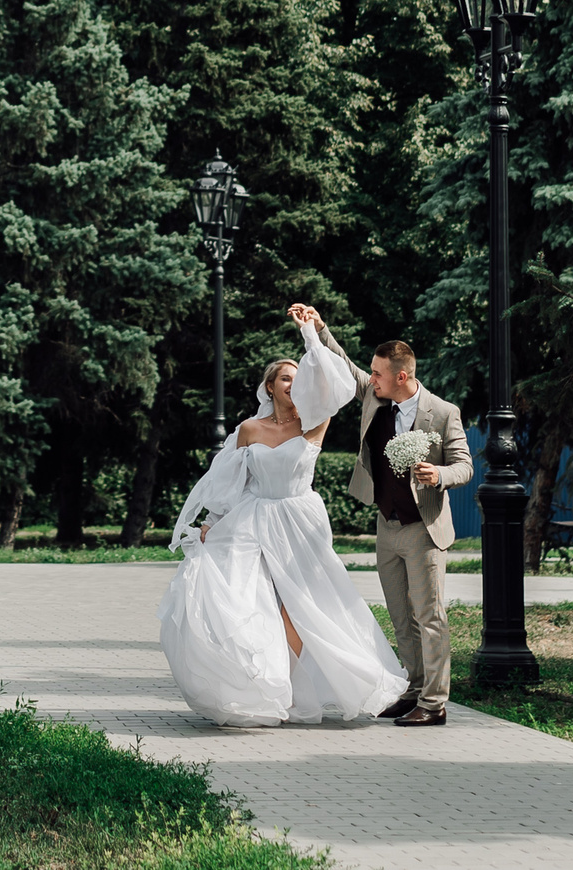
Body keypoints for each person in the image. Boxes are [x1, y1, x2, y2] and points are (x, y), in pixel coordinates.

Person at [155, 308, 405, 726]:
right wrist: (212, 521)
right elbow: (229, 482)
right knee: (247, 599)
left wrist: (310, 334)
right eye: (285, 377)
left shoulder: (315, 421)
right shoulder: (249, 429)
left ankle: (296, 690)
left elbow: (338, 383)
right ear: (270, 386)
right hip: (253, 520)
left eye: (299, 376)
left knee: (302, 606)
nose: (294, 382)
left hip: (299, 521)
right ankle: (257, 687)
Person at [300, 304, 471, 725]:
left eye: (378, 374)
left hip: (424, 528)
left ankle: (434, 704)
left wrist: (439, 474)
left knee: (429, 616)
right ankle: (413, 690)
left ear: (403, 377)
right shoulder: (375, 398)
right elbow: (344, 365)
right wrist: (320, 326)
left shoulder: (444, 412)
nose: (371, 379)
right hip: (386, 525)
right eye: (372, 373)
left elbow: (465, 465)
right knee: (400, 617)